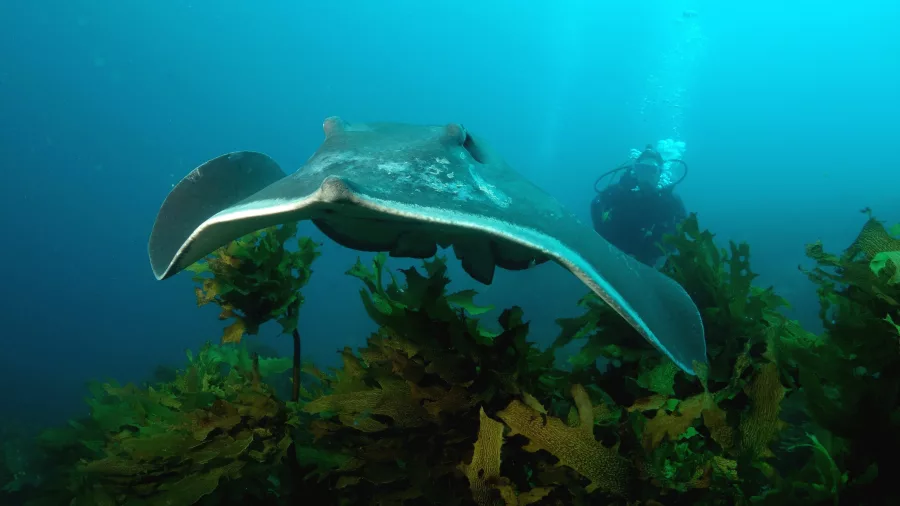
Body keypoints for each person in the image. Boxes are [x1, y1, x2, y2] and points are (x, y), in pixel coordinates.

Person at [590, 144, 688, 266]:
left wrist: (649, 255)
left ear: (659, 173)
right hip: (609, 253)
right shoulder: (621, 192)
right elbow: (596, 204)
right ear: (635, 171)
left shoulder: (670, 201)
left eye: (651, 170)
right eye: (642, 169)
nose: (646, 176)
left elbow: (680, 232)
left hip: (644, 265)